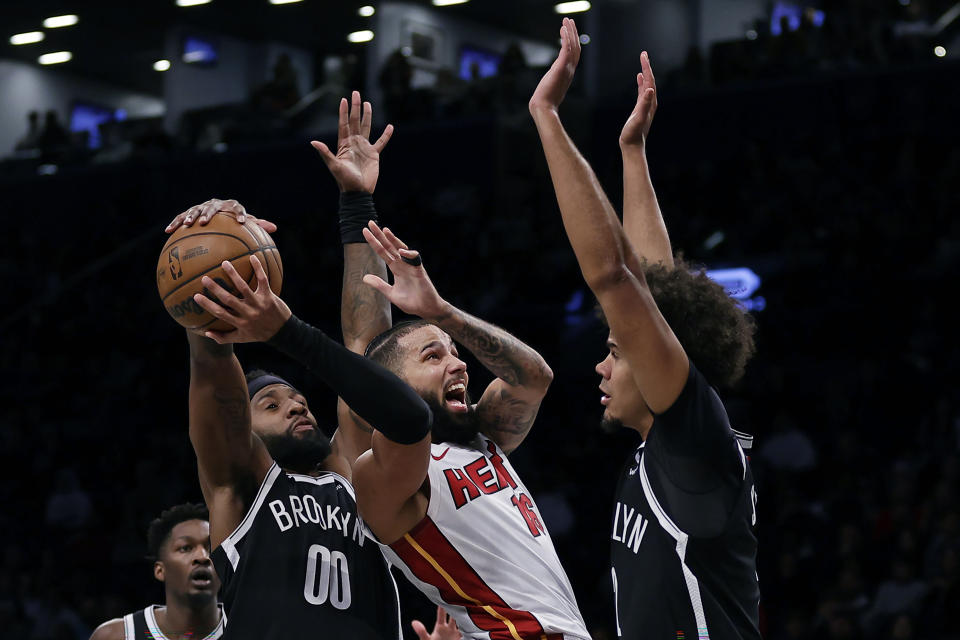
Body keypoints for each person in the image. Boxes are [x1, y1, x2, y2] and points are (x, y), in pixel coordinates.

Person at [171, 92, 460, 640]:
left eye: (295, 398)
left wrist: (357, 203)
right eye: (270, 404)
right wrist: (205, 265)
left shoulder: (357, 473)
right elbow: (215, 379)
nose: (297, 404)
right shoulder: (242, 487)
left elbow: (365, 343)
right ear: (246, 429)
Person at [528, 18, 760, 639]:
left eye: (616, 351)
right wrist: (632, 154)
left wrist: (547, 116)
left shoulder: (692, 436)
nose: (602, 366)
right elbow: (653, 283)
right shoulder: (676, 439)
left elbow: (618, 279)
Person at [89, 503, 225, 640]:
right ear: (160, 570)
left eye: (211, 547)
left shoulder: (244, 628)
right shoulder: (115, 636)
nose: (202, 557)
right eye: (186, 548)